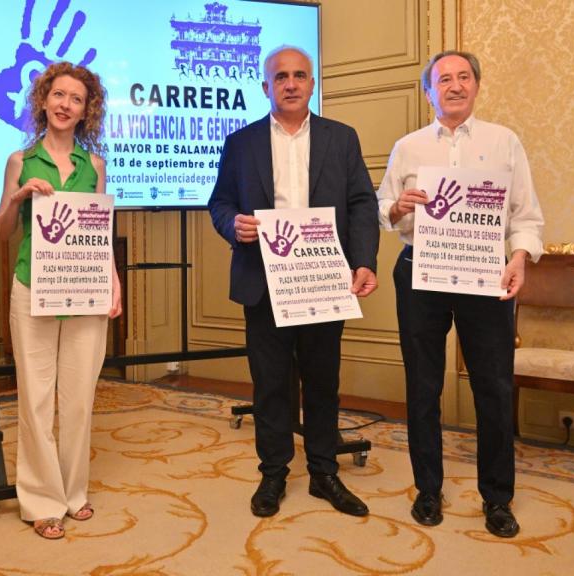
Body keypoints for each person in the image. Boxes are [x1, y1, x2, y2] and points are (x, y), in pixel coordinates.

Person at [376, 50, 544, 538]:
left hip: (485, 275)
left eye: (463, 77)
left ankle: (497, 498)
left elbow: (526, 215)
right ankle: (428, 490)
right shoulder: (407, 147)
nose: (453, 86)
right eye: (443, 79)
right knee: (423, 386)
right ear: (428, 91)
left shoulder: (504, 142)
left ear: (476, 85)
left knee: (492, 388)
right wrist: (395, 208)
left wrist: (518, 259)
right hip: (420, 274)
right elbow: (383, 206)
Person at [208, 46, 380, 519]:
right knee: (270, 383)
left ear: (312, 83)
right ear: (265, 86)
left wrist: (364, 260)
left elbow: (363, 203)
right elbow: (219, 203)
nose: (289, 83)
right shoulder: (240, 143)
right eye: (280, 76)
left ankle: (325, 471)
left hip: (323, 280)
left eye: (299, 75)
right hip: (263, 280)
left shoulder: (341, 138)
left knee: (323, 380)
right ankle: (274, 472)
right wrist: (233, 225)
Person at [0, 61, 122, 540]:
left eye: (76, 98)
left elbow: (100, 231)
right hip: (33, 287)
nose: (66, 104)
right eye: (58, 95)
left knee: (78, 399)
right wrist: (18, 196)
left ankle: (73, 493)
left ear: (87, 109)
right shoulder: (19, 160)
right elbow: (4, 231)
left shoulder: (95, 166)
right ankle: (41, 500)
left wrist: (112, 280)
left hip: (86, 290)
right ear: (43, 100)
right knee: (35, 398)